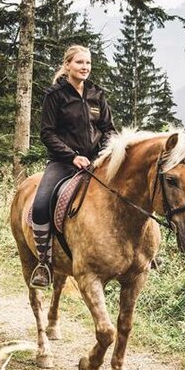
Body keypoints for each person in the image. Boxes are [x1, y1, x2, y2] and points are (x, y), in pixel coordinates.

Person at [30, 45, 116, 288]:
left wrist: (107, 152)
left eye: (88, 63)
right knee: (40, 204)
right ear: (67, 65)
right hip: (63, 162)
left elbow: (108, 129)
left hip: (97, 162)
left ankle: (143, 253)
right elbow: (47, 133)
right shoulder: (55, 95)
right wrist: (72, 156)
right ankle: (44, 263)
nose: (85, 67)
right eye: (79, 62)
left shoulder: (97, 94)